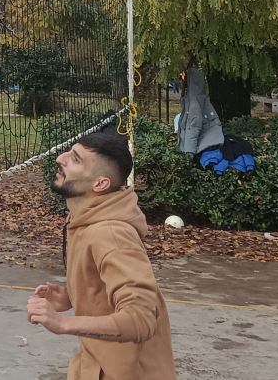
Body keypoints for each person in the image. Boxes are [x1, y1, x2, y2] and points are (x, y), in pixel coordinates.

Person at [26, 131, 175, 380]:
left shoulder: (110, 233)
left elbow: (141, 318)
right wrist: (74, 296)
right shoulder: (86, 217)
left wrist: (64, 324)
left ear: (100, 184)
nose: (60, 158)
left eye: (75, 159)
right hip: (94, 365)